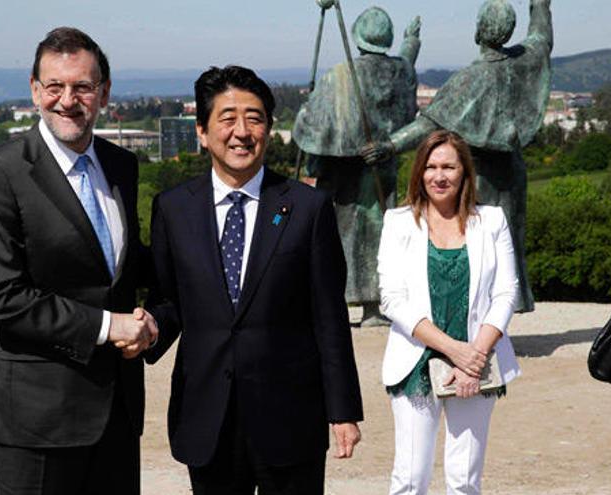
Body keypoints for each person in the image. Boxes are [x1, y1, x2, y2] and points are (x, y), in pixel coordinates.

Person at [145, 65, 363, 494]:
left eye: (255, 118)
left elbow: (329, 317)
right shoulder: (173, 208)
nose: (242, 131)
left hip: (290, 416)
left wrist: (343, 409)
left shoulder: (308, 207)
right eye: (227, 118)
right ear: (203, 132)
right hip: (207, 415)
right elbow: (169, 300)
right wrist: (146, 331)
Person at [0, 27, 158, 494]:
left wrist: (159, 313)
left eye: (82, 87)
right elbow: (0, 296)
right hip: (35, 422)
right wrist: (108, 326)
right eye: (54, 86)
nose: (67, 100)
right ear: (34, 91)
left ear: (104, 94)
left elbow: (121, 269)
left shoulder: (121, 166)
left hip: (115, 413)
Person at [363, 0, 553, 313]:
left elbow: (428, 124)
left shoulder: (470, 79)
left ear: (478, 31)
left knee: (474, 247)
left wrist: (390, 146)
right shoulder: (526, 60)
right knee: (506, 244)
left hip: (474, 175)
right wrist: (539, 4)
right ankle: (506, 306)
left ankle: (480, 313)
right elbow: (542, 36)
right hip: (512, 171)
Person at [377, 130, 520, 494]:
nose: (439, 176)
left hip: (478, 364)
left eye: (449, 167)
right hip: (416, 363)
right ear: (419, 172)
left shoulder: (491, 221)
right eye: (431, 166)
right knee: (410, 478)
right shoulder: (397, 222)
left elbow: (506, 292)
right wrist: (454, 350)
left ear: (464, 173)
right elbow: (392, 299)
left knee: (464, 480)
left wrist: (474, 355)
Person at [292, 5, 421, 326]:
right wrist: (412, 42)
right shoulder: (402, 71)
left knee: (337, 237)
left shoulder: (340, 75)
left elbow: (310, 128)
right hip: (381, 166)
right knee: (378, 235)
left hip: (341, 173)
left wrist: (310, 105)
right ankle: (374, 307)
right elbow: (402, 67)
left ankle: (332, 303)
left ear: (357, 38)